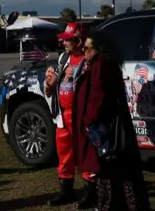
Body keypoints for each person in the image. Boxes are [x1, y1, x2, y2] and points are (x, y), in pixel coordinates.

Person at [73, 30, 150, 210]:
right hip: (114, 126)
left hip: (110, 129)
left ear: (98, 49)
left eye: (87, 49)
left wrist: (89, 120)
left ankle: (112, 205)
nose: (84, 52)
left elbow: (98, 96)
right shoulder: (103, 64)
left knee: (111, 167)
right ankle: (123, 204)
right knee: (118, 170)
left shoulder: (102, 65)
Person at [43, 22, 93, 206]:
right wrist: (50, 83)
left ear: (78, 41)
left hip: (81, 115)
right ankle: (66, 190)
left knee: (85, 152)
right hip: (63, 115)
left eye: (68, 40)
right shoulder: (63, 58)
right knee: (64, 153)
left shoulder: (88, 60)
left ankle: (91, 190)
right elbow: (51, 87)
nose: (64, 43)